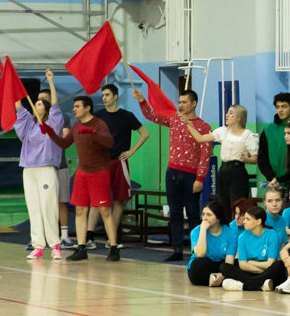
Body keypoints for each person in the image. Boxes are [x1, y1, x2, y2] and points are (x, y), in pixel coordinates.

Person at [134, 88, 212, 262]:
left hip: (191, 175)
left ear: (194, 104)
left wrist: (200, 178)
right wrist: (142, 101)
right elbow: (151, 116)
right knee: (174, 212)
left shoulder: (203, 126)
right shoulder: (174, 119)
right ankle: (177, 249)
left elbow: (205, 155)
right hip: (172, 173)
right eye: (179, 102)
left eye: (184, 102)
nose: (181, 105)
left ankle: (196, 250)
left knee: (192, 213)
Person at [42, 96, 121, 261]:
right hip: (82, 172)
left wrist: (93, 132)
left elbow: (109, 142)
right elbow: (64, 144)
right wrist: (51, 133)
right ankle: (81, 248)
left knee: (105, 210)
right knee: (80, 210)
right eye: (74, 106)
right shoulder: (76, 125)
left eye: (77, 106)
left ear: (87, 108)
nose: (74, 109)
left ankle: (114, 248)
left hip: (99, 172)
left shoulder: (99, 123)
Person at [90, 83, 150, 242]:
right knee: (96, 201)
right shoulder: (98, 116)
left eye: (107, 95)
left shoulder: (127, 116)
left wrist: (131, 151)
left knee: (119, 200)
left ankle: (112, 237)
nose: (104, 98)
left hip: (119, 162)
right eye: (103, 95)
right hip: (101, 163)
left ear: (115, 96)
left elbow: (145, 134)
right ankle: (88, 238)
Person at [14, 86, 65, 259]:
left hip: (46, 168)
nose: (36, 105)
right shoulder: (29, 125)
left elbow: (55, 104)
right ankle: (38, 245)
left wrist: (51, 81)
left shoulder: (53, 122)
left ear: (47, 107)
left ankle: (55, 245)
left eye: (40, 104)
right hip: (29, 169)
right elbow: (19, 108)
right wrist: (13, 86)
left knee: (48, 207)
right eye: (35, 103)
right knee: (34, 208)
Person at [183, 104, 258, 217]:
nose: (227, 115)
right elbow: (200, 138)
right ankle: (225, 226)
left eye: (231, 113)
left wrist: (246, 159)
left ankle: (237, 226)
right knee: (223, 204)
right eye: (227, 112)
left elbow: (255, 158)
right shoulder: (223, 131)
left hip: (238, 171)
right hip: (223, 170)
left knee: (237, 204)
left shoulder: (248, 135)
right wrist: (188, 124)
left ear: (239, 117)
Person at [219, 206, 286, 291]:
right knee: (225, 267)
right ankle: (261, 284)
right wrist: (262, 272)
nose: (244, 221)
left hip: (267, 271)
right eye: (245, 219)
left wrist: (251, 262)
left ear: (258, 221)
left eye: (248, 219)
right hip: (255, 272)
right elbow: (242, 265)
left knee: (279, 265)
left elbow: (270, 263)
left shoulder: (272, 235)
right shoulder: (242, 237)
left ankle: (244, 285)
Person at [37, 88, 72, 245]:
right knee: (42, 202)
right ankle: (42, 235)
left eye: (44, 99)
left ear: (51, 101)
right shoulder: (34, 121)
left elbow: (65, 137)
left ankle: (64, 235)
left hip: (59, 165)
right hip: (41, 168)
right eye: (38, 100)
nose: (41, 102)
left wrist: (50, 132)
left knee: (61, 201)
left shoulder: (62, 117)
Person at [186, 199, 237, 286]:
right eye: (203, 214)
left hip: (220, 266)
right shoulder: (196, 231)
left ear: (218, 218)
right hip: (201, 266)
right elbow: (200, 254)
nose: (204, 218)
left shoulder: (230, 233)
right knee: (200, 262)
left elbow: (229, 261)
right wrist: (203, 230)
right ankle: (220, 280)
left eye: (209, 215)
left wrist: (222, 274)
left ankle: (220, 279)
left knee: (236, 264)